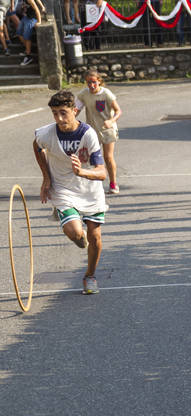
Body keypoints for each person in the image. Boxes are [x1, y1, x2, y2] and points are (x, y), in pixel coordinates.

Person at [33, 90, 108, 295]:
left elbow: (102, 172)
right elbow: (37, 146)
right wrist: (46, 177)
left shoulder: (88, 134)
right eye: (55, 113)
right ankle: (76, 231)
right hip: (63, 188)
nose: (59, 118)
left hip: (90, 190)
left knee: (95, 237)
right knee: (75, 233)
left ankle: (89, 276)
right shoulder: (46, 133)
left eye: (63, 113)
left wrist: (81, 171)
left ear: (75, 111)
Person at [75, 70, 122, 195]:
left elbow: (118, 111)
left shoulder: (106, 94)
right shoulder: (84, 94)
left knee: (107, 157)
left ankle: (113, 184)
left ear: (99, 82)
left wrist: (111, 121)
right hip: (92, 131)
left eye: (94, 82)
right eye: (89, 82)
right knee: (89, 157)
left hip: (108, 130)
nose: (91, 85)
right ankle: (91, 186)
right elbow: (76, 109)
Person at [16, 0, 40, 66]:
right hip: (26, 17)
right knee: (19, 32)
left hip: (32, 19)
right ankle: (27, 50)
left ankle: (28, 57)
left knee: (27, 37)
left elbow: (37, 9)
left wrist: (39, 21)